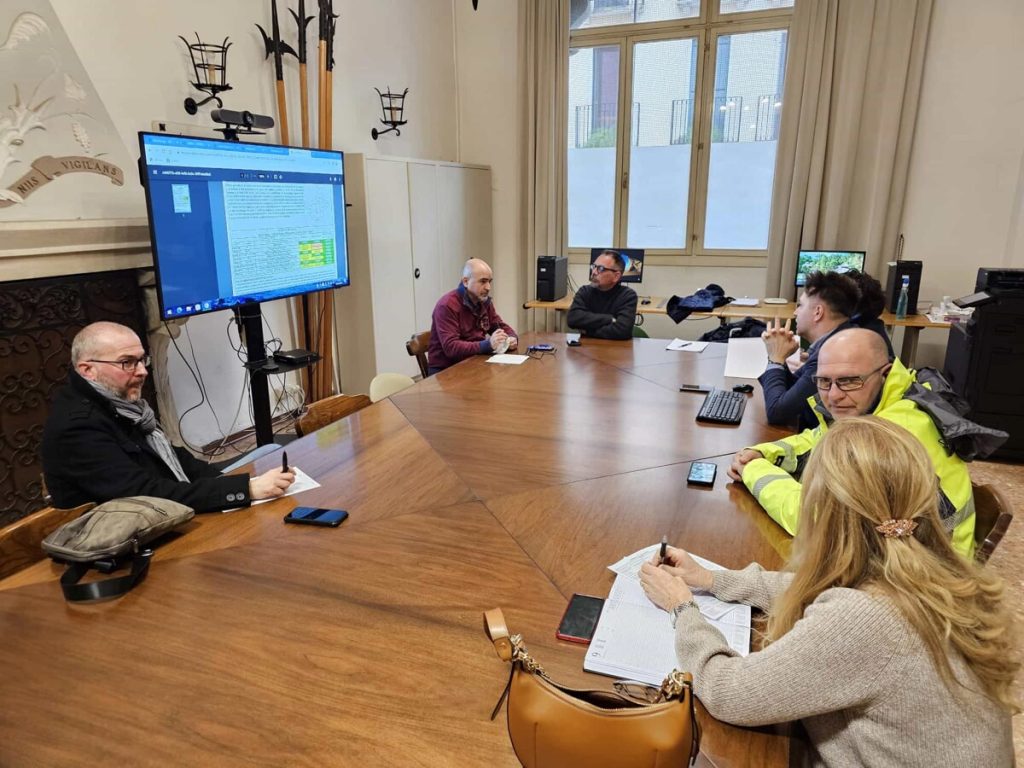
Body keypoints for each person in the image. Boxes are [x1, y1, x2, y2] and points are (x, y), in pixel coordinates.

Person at [641, 417, 1018, 768]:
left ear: (824, 511)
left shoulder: (868, 619)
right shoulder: (931, 568)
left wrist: (682, 608)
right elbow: (822, 587)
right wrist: (711, 579)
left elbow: (728, 692)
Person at [732, 328, 976, 557]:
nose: (834, 395)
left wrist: (753, 469)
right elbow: (818, 438)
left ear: (885, 374)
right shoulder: (894, 397)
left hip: (926, 571)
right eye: (824, 381)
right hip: (898, 555)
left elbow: (816, 520)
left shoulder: (888, 435)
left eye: (849, 381)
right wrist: (763, 452)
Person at [42, 321, 294, 512]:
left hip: (164, 504)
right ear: (88, 370)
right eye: (127, 362)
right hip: (138, 531)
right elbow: (144, 496)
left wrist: (229, 484)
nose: (142, 371)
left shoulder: (121, 405)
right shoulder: (77, 429)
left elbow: (177, 458)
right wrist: (245, 489)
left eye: (142, 360)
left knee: (270, 449)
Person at [758, 271, 860, 430]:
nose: (795, 312)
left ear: (818, 312)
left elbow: (777, 413)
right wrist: (779, 356)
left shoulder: (834, 356)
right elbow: (795, 391)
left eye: (800, 305)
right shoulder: (840, 339)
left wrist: (775, 360)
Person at [427, 258, 517, 374]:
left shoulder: (483, 302)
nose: (488, 287)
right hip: (447, 370)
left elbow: (499, 325)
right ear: (465, 281)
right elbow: (451, 347)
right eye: (483, 281)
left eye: (489, 282)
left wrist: (512, 338)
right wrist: (488, 344)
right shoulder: (447, 305)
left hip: (474, 361)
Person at [567, 250, 638, 340]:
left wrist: (587, 331)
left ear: (616, 276)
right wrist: (609, 319)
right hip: (587, 347)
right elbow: (573, 319)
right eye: (594, 266)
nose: (594, 272)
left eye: (600, 269)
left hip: (616, 347)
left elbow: (622, 331)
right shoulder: (585, 291)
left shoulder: (628, 296)